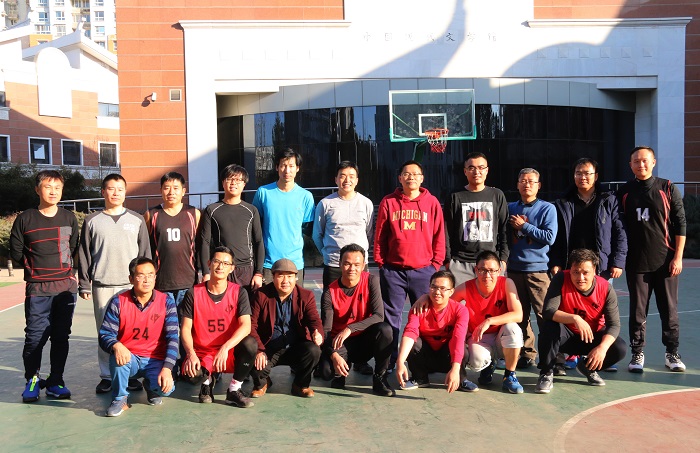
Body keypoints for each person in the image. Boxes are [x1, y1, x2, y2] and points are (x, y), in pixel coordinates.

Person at [549, 157, 627, 373]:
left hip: (600, 266)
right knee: (567, 308)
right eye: (578, 173)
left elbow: (620, 232)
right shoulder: (563, 202)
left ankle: (598, 353)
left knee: (599, 312)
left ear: (596, 176)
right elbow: (556, 237)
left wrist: (618, 261)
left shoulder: (608, 200)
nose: (582, 177)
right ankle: (569, 353)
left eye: (587, 173)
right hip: (571, 266)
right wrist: (556, 262)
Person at [10, 170, 80, 403]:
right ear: (37, 189)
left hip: (65, 288)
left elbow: (73, 248)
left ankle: (56, 381)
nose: (53, 191)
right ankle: (32, 379)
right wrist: (36, 269)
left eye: (57, 187)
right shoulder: (25, 219)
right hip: (38, 289)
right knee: (34, 338)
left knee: (61, 337)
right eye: (48, 187)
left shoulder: (69, 218)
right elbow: (16, 252)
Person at [79, 173, 151, 394]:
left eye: (120, 189)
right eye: (111, 188)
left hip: (131, 286)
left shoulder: (137, 220)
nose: (116, 193)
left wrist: (146, 282)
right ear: (103, 192)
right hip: (103, 284)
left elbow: (145, 254)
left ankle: (129, 374)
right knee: (105, 332)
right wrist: (84, 283)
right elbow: (84, 254)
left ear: (125, 192)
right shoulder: (92, 221)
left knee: (130, 332)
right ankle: (107, 376)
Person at [617, 146, 686, 373]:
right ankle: (637, 354)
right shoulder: (624, 192)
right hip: (636, 263)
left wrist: (678, 257)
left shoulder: (667, 187)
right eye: (636, 161)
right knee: (638, 312)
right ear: (630, 165)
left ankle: (672, 353)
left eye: (645, 160)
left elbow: (680, 223)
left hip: (665, 262)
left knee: (669, 310)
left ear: (654, 162)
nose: (641, 164)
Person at [374, 159, 445, 370]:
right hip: (393, 271)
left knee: (423, 318)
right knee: (391, 318)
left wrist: (435, 265)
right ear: (400, 178)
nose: (411, 177)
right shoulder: (388, 202)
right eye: (406, 173)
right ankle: (390, 360)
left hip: (423, 271)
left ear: (422, 178)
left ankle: (420, 362)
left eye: (415, 174)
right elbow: (380, 235)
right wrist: (381, 263)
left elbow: (439, 235)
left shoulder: (432, 202)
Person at [312, 160, 375, 376]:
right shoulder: (325, 204)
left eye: (351, 176)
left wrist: (358, 260)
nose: (346, 180)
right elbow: (317, 234)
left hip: (359, 267)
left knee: (361, 311)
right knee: (330, 314)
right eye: (342, 175)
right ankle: (327, 354)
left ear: (357, 180)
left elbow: (368, 232)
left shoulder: (366, 203)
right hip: (333, 265)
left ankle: (361, 359)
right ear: (336, 179)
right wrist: (327, 254)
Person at [535, 249, 627, 394]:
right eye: (576, 272)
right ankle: (546, 373)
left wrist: (602, 348)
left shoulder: (605, 288)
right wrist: (574, 318)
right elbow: (548, 311)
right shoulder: (561, 278)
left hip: (590, 337)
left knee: (619, 348)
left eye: (585, 272)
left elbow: (614, 325)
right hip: (565, 336)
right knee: (549, 327)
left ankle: (588, 368)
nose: (580, 278)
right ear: (570, 270)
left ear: (594, 271)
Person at [98, 257, 178, 416]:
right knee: (117, 356)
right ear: (131, 279)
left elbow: (173, 339)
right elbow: (105, 334)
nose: (146, 280)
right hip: (130, 358)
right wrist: (116, 345)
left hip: (155, 359)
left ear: (155, 277)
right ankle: (120, 399)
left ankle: (151, 386)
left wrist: (167, 368)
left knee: (166, 390)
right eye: (141, 275)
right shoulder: (118, 302)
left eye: (150, 275)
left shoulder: (166, 301)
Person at [180, 246, 258, 407]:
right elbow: (185, 328)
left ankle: (234, 389)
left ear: (232, 268)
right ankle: (207, 382)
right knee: (192, 374)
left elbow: (246, 326)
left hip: (228, 352)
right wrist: (191, 354)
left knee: (250, 344)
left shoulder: (239, 292)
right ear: (209, 263)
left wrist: (225, 347)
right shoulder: (193, 293)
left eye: (226, 263)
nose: (220, 266)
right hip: (203, 352)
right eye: (217, 261)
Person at [440, 251, 525, 394]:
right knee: (476, 361)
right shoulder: (466, 288)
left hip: (500, 335)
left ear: (499, 270)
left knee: (513, 329)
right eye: (483, 270)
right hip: (479, 337)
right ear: (476, 270)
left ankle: (510, 376)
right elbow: (444, 303)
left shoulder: (506, 283)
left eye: (492, 270)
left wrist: (490, 321)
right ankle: (489, 365)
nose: (487, 275)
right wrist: (424, 298)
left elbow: (518, 314)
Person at [321, 244, 394, 396]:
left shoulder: (371, 281)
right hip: (340, 343)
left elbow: (379, 316)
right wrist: (334, 355)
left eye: (357, 264)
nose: (352, 268)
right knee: (326, 373)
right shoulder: (329, 292)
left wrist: (350, 328)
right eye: (347, 264)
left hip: (364, 341)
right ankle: (340, 370)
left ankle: (380, 378)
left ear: (363, 265)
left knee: (385, 330)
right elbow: (326, 330)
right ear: (340, 264)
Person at [249, 258, 323, 398]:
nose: (285, 281)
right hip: (268, 347)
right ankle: (262, 382)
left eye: (289, 276)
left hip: (294, 347)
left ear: (296, 278)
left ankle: (300, 385)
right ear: (273, 277)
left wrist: (317, 332)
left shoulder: (306, 296)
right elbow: (251, 325)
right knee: (248, 348)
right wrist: (259, 350)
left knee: (313, 350)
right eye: (281, 276)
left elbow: (314, 320)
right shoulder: (261, 295)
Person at [507, 168, 557, 370]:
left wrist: (524, 227)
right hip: (514, 270)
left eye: (531, 181)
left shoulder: (547, 208)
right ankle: (527, 354)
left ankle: (552, 356)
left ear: (538, 185)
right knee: (520, 316)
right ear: (517, 184)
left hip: (538, 271)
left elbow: (549, 237)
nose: (526, 184)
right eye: (523, 181)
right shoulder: (510, 207)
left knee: (545, 315)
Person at [395, 271, 468, 393]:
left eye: (443, 288)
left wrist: (455, 369)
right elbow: (410, 332)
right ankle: (420, 378)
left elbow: (458, 338)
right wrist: (400, 361)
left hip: (447, 358)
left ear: (451, 291)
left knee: (462, 348)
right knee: (413, 343)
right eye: (433, 287)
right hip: (425, 357)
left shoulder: (460, 310)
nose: (437, 292)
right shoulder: (418, 307)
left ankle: (460, 379)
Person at [444, 152, 508, 284]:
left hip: (491, 262)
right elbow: (447, 230)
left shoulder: (497, 195)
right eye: (471, 168)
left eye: (481, 167)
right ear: (465, 171)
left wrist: (503, 259)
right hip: (461, 263)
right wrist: (448, 260)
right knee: (461, 298)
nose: (476, 172)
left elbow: (504, 229)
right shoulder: (455, 196)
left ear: (487, 170)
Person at [253, 149, 315, 283]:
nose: (287, 170)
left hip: (295, 262)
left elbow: (307, 229)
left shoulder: (306, 196)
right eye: (283, 165)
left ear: (297, 168)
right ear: (277, 167)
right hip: (268, 262)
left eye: (291, 166)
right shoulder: (263, 193)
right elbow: (256, 226)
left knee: (296, 297)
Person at [199, 165, 264, 291]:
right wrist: (206, 272)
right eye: (229, 179)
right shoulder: (212, 210)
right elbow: (204, 242)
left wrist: (258, 273)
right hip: (221, 268)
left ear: (244, 184)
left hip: (246, 270)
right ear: (223, 182)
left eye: (238, 180)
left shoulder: (251, 210)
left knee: (245, 303)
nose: (233, 183)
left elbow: (258, 242)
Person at [144, 172, 200, 307]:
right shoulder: (151, 215)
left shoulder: (194, 214)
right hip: (161, 282)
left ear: (183, 191)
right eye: (167, 188)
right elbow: (145, 247)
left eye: (175, 188)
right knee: (163, 320)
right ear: (161, 190)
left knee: (186, 320)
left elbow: (200, 246)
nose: (171, 192)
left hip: (188, 282)